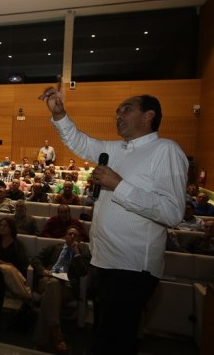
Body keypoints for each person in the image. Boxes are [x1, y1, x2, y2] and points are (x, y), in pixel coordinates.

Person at [40, 86, 188, 354]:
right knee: (106, 337)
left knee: (112, 342)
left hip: (132, 268)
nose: (118, 114)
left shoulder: (165, 150)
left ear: (148, 116)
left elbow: (172, 212)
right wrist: (60, 115)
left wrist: (118, 185)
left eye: (127, 109)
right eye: (117, 110)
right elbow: (80, 142)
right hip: (104, 261)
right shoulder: (117, 149)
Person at [31, 226, 91, 353]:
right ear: (65, 236)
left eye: (76, 235)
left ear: (79, 239)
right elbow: (36, 259)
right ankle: (57, 335)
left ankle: (42, 340)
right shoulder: (54, 247)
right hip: (47, 280)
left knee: (50, 295)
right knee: (53, 284)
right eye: (70, 234)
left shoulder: (83, 251)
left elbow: (83, 271)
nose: (72, 236)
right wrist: (43, 270)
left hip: (67, 287)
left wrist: (76, 253)